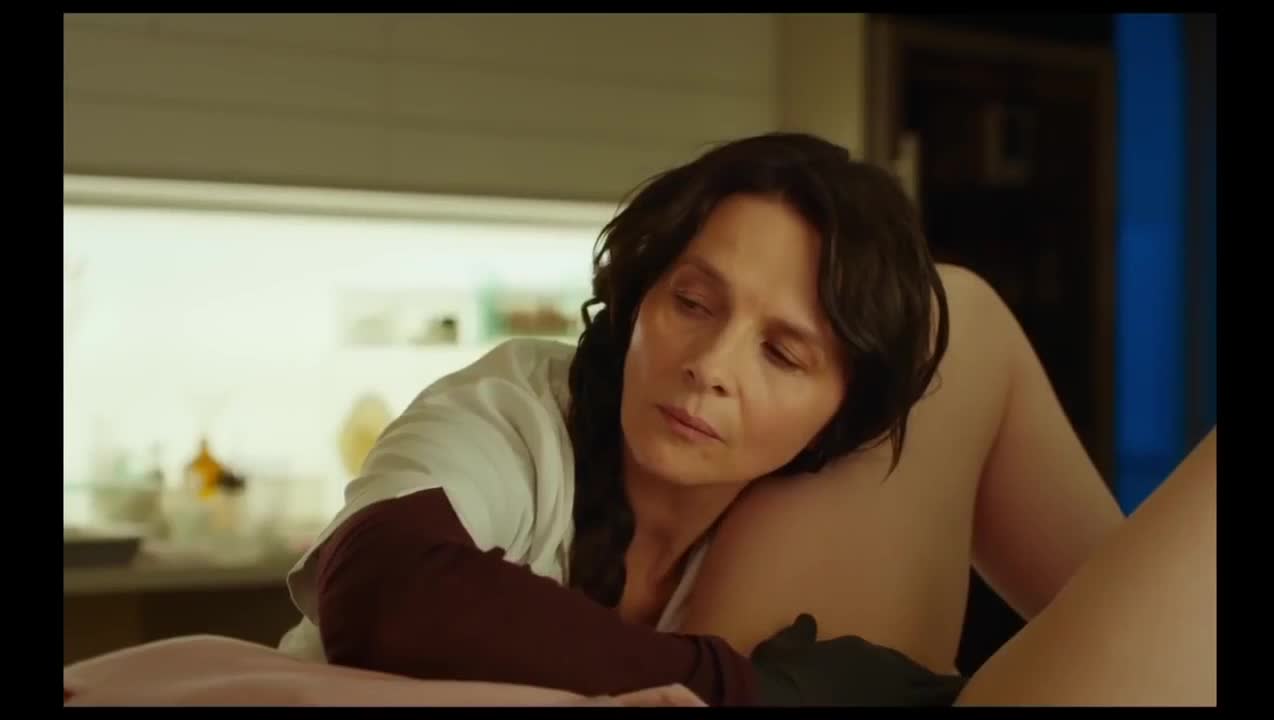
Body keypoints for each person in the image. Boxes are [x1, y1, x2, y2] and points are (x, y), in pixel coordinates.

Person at [276, 132, 1215, 706]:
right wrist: (750, 692)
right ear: (639, 295)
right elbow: (379, 584)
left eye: (782, 354)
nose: (710, 368)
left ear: (841, 414)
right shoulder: (520, 410)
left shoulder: (794, 505)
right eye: (692, 302)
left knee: (955, 312)